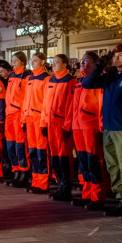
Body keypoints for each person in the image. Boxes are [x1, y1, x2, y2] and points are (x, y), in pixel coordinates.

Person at [83, 44, 122, 218]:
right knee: (113, 166)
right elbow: (87, 83)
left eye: (121, 55)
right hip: (109, 128)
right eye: (114, 56)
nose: (117, 59)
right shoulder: (110, 76)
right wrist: (99, 65)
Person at [69, 51, 106, 209]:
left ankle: (97, 196)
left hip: (91, 126)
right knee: (83, 161)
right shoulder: (79, 81)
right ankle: (87, 193)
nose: (83, 64)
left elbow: (101, 105)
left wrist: (101, 126)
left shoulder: (97, 82)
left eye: (88, 61)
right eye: (82, 61)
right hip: (78, 126)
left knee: (93, 162)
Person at [43, 54, 76, 201]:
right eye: (52, 62)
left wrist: (67, 125)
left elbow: (71, 105)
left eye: (56, 62)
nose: (53, 65)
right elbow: (45, 105)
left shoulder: (70, 81)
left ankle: (66, 187)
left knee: (64, 157)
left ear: (65, 65)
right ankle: (60, 184)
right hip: (51, 124)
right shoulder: (51, 80)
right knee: (55, 156)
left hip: (62, 124)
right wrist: (43, 123)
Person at [22, 53, 50, 194]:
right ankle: (36, 180)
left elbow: (46, 102)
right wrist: (23, 119)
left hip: (39, 119)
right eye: (31, 60)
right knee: (32, 151)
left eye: (35, 60)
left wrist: (44, 121)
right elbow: (25, 100)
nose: (32, 63)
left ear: (43, 61)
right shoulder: (30, 78)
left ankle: (43, 182)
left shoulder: (46, 79)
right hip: (29, 118)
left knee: (41, 151)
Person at [4, 51, 32, 188]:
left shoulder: (26, 76)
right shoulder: (13, 75)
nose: (12, 62)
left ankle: (24, 173)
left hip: (18, 114)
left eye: (15, 60)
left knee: (20, 146)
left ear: (22, 61)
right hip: (9, 114)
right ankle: (16, 171)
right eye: (12, 60)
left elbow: (27, 97)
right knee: (10, 147)